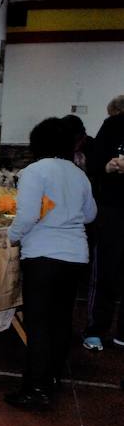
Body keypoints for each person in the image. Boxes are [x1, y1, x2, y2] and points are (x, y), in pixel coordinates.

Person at [4, 117, 97, 411]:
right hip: (75, 257)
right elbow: (91, 214)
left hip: (43, 257)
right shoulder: (79, 173)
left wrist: (12, 235)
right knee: (60, 320)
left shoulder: (35, 171)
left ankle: (35, 388)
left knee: (39, 323)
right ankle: (53, 377)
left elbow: (28, 214)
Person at [83, 95, 124, 351]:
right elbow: (94, 163)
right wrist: (108, 166)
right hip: (113, 209)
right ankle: (96, 328)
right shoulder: (113, 126)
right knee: (106, 269)